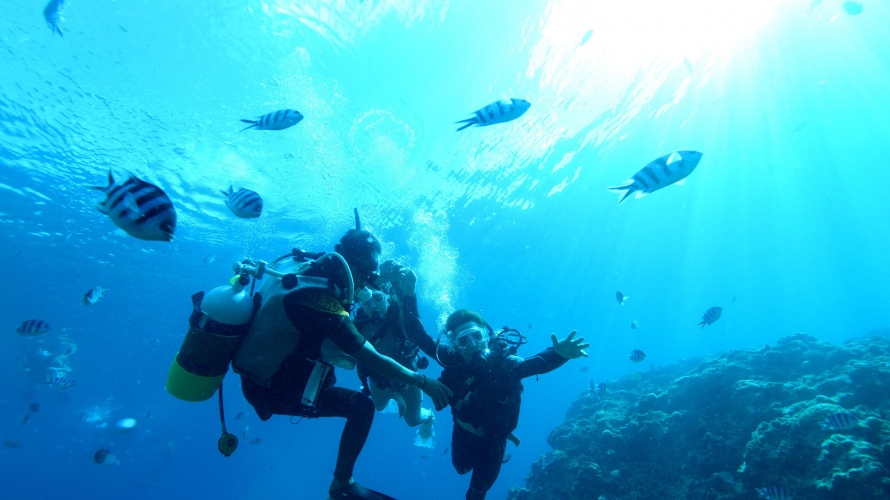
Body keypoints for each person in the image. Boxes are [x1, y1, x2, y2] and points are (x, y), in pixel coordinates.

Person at [234, 228, 452, 500]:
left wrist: (405, 292)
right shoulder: (321, 299)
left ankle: (410, 414)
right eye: (367, 277)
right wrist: (422, 381)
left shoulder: (310, 270)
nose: (364, 290)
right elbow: (365, 353)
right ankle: (342, 485)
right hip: (270, 387)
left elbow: (413, 331)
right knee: (363, 408)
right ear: (357, 267)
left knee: (378, 406)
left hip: (262, 376)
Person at [438, 309, 589, 500]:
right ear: (455, 346)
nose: (473, 344)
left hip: (493, 438)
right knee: (461, 468)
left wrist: (558, 354)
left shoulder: (505, 364)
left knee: (478, 490)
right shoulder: (453, 370)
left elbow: (534, 364)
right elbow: (418, 337)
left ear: (487, 335)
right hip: (463, 431)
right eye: (463, 340)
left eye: (477, 335)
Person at [353, 261, 438, 445]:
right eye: (365, 300)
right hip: (378, 380)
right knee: (379, 405)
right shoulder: (358, 325)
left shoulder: (399, 319)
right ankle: (393, 398)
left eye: (377, 298)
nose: (372, 305)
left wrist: (403, 287)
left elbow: (411, 315)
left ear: (386, 297)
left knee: (412, 421)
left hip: (407, 381)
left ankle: (428, 416)